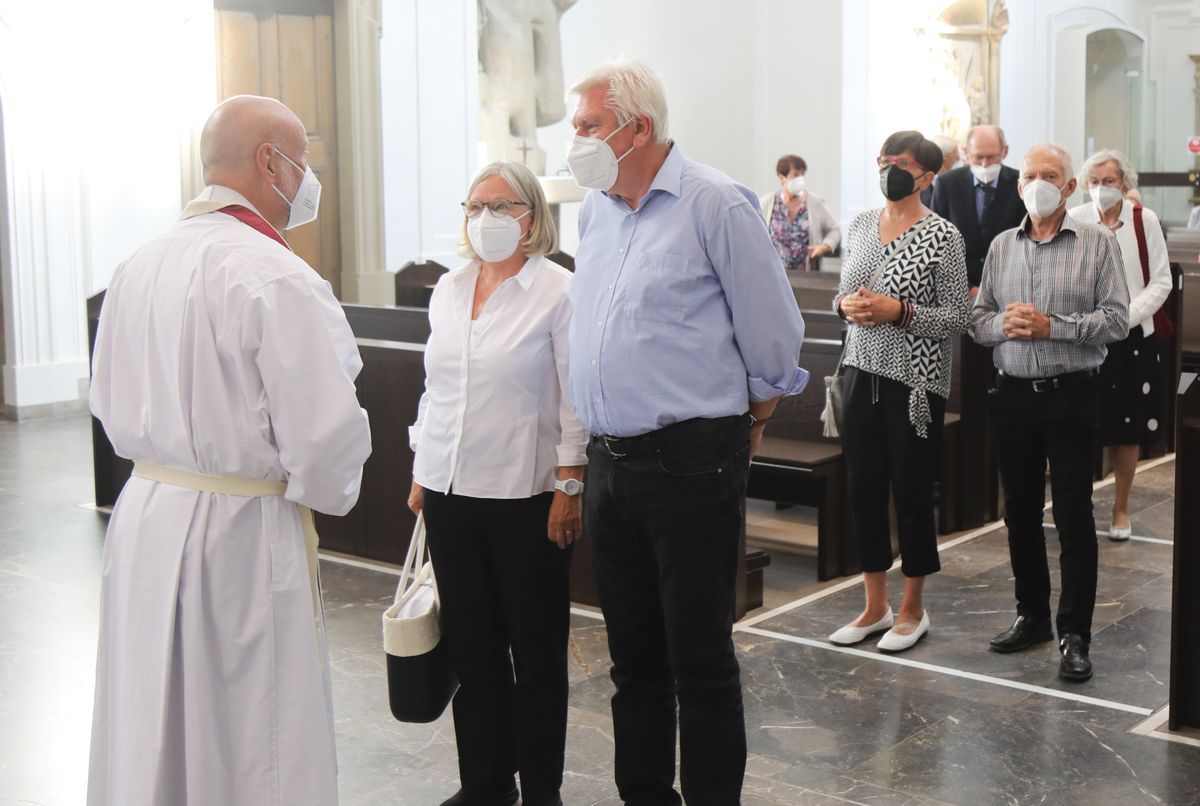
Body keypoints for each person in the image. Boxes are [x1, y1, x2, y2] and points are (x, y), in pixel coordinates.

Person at [87, 95, 372, 805]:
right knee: (252, 729)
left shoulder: (137, 265)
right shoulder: (275, 276)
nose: (307, 179)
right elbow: (325, 438)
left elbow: (105, 395)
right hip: (237, 534)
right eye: (301, 162)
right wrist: (329, 490)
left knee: (152, 712)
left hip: (148, 512)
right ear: (268, 163)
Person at [565, 59, 807, 805]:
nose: (576, 142)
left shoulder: (714, 202)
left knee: (699, 658)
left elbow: (775, 336)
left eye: (587, 127)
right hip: (610, 464)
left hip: (690, 462)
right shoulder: (595, 211)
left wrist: (750, 424)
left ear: (637, 128)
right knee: (633, 659)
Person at [407, 161, 587, 806]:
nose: (484, 218)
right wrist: (422, 472)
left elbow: (574, 398)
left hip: (526, 496)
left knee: (535, 655)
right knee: (474, 650)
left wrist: (569, 485)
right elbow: (437, 390)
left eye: (500, 206)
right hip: (451, 491)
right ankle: (485, 783)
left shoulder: (558, 291)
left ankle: (541, 788)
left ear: (530, 217)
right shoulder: (449, 289)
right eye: (474, 206)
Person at [970, 143, 1128, 683]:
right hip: (1013, 393)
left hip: (1071, 393)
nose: (1039, 183)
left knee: (1074, 517)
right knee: (1018, 512)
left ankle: (1075, 634)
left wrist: (1051, 326)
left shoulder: (1097, 243)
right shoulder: (1000, 247)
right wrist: (1002, 328)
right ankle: (1032, 615)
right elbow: (978, 319)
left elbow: (1115, 320)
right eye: (1031, 175)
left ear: (1067, 188)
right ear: (1020, 186)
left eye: (1051, 176)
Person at [828, 131, 970, 653]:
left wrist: (900, 311)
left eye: (902, 162)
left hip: (915, 381)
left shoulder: (944, 235)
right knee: (863, 489)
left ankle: (913, 607)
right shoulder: (862, 223)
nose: (889, 168)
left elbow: (958, 316)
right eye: (884, 159)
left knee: (910, 492)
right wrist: (847, 308)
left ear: (926, 176)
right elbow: (842, 293)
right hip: (859, 370)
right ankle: (874, 605)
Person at [1068, 150, 1172, 541]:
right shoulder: (1076, 219)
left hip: (1132, 337)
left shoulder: (1144, 221)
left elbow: (1160, 281)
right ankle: (1077, 505)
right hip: (1085, 335)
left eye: (1108, 182)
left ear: (1124, 184)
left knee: (1127, 427)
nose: (1100, 189)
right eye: (1093, 182)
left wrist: (1122, 318)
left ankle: (1121, 507)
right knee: (1080, 423)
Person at [931, 125, 1026, 295]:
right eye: (978, 157)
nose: (985, 164)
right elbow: (936, 241)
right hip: (957, 288)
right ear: (966, 152)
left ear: (1004, 152)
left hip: (1007, 288)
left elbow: (1025, 242)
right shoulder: (947, 184)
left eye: (991, 157)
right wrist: (966, 286)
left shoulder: (1020, 184)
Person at [759, 154, 841, 270]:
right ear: (782, 177)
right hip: (773, 275)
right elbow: (754, 232)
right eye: (796, 175)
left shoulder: (815, 203)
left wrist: (825, 246)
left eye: (802, 175)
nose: (800, 179)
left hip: (806, 277)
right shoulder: (767, 202)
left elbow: (835, 229)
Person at [919, 134, 961, 207]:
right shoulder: (920, 182)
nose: (960, 162)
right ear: (943, 161)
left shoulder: (957, 181)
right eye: (956, 158)